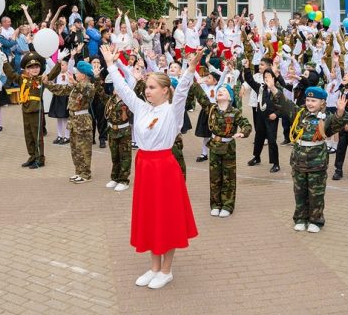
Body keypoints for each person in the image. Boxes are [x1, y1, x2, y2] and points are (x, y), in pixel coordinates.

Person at [102, 44, 199, 291]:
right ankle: (154, 267)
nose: (147, 91)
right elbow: (124, 90)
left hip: (164, 168)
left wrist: (190, 69)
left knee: (167, 218)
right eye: (147, 87)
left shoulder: (172, 111)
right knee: (150, 217)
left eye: (153, 87)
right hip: (145, 166)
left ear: (166, 91)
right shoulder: (142, 108)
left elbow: (183, 93)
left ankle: (166, 270)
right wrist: (111, 65)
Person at [274, 82, 348, 233]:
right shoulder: (300, 113)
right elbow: (285, 104)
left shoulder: (325, 117)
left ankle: (316, 220)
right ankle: (300, 218)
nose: (309, 103)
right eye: (308, 100)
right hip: (298, 161)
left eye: (313, 101)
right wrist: (273, 88)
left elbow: (336, 124)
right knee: (299, 192)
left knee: (316, 193)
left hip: (316, 162)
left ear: (322, 103)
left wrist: (340, 112)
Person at [43, 59, 97, 183]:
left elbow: (87, 92)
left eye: (77, 72)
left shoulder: (88, 86)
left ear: (83, 75)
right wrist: (47, 83)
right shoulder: (75, 86)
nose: (75, 74)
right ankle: (78, 171)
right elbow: (60, 89)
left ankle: (86, 174)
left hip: (83, 121)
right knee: (75, 148)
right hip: (73, 120)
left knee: (84, 149)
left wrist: (75, 83)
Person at [206, 83, 252, 217]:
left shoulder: (235, 112)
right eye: (218, 90)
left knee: (228, 177)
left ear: (230, 97)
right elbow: (201, 97)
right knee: (215, 177)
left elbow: (246, 124)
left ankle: (227, 205)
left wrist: (243, 133)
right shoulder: (212, 109)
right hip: (214, 146)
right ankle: (215, 204)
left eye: (224, 91)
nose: (220, 91)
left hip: (228, 148)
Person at [242, 57, 284, 172]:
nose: (266, 79)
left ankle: (275, 163)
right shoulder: (261, 88)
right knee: (259, 137)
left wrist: (276, 114)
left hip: (271, 118)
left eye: (269, 77)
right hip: (260, 116)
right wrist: (246, 68)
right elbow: (250, 80)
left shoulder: (277, 89)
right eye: (265, 77)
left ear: (273, 78)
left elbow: (283, 105)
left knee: (271, 140)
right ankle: (256, 157)